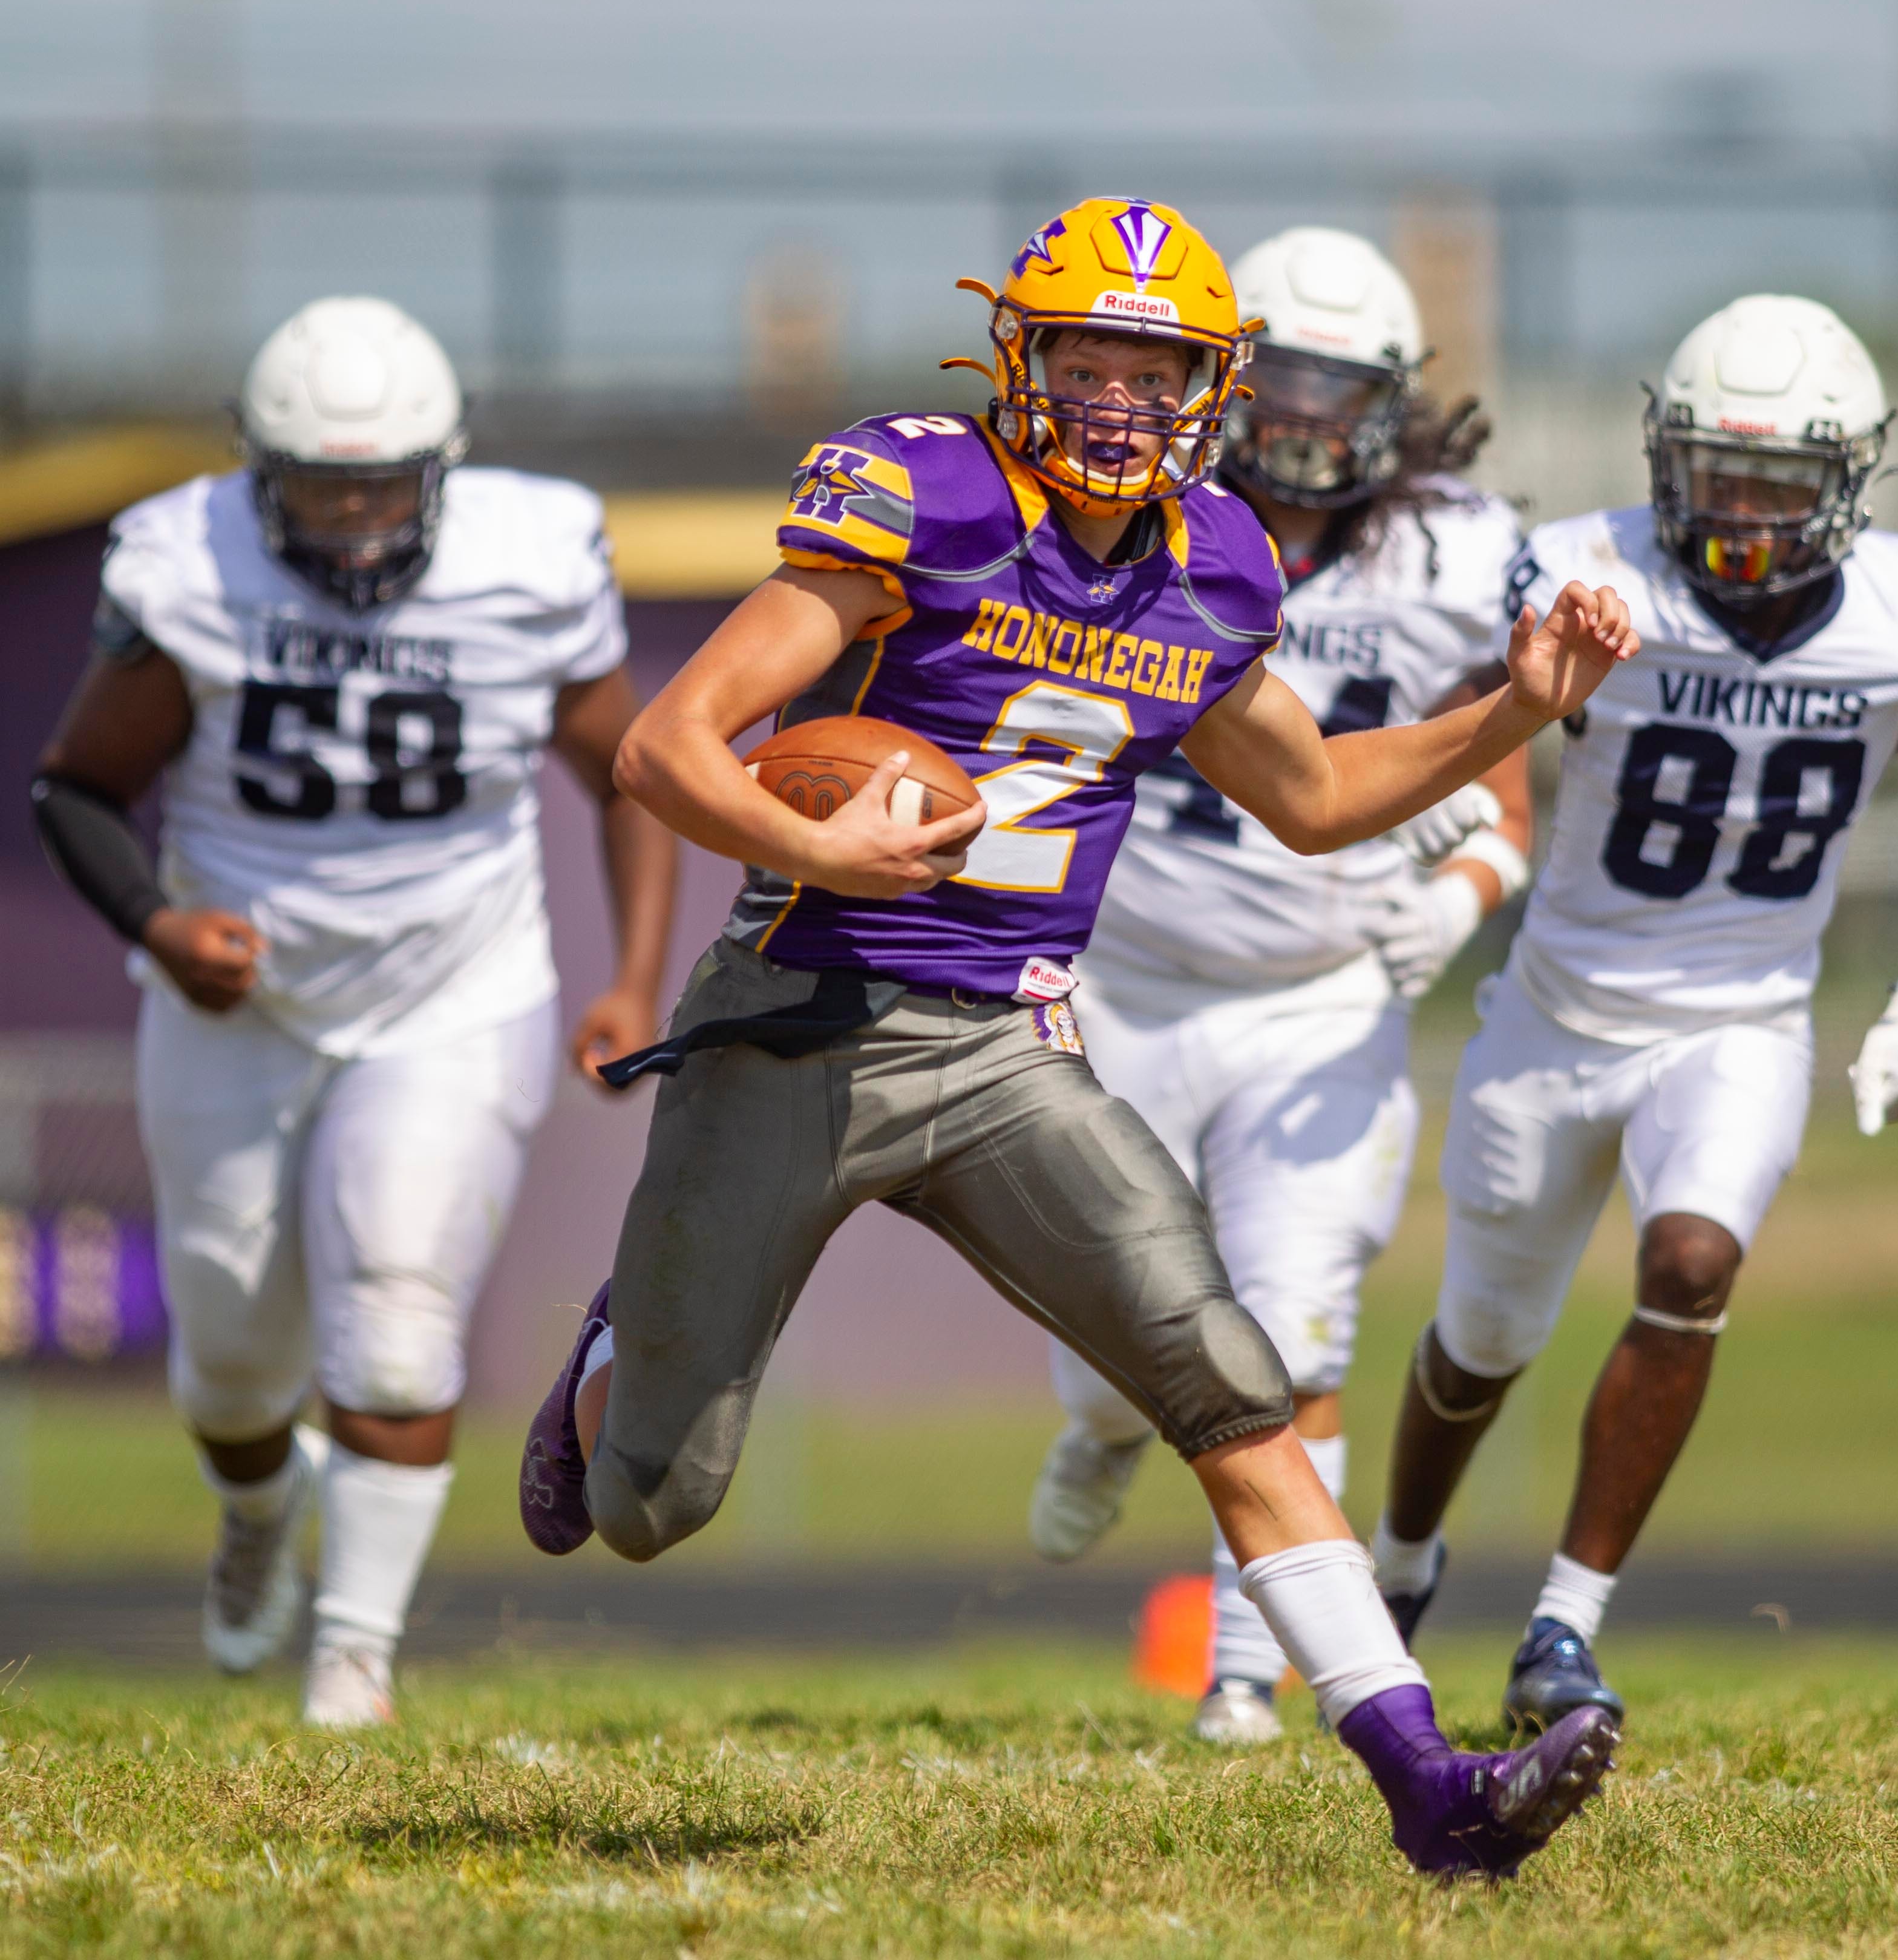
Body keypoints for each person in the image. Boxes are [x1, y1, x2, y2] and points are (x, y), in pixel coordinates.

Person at [520, 197, 1635, 1878]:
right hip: (796, 1020)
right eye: (1087, 358)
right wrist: (814, 846)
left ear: (1211, 384)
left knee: (1230, 1384)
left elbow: (1319, 798)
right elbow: (668, 747)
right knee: (647, 1509)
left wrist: (1517, 707)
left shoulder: (1212, 559)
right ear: (1018, 358)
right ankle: (620, 1358)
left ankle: (1429, 1791)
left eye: (1155, 365)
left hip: (999, 1051)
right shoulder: (924, 496)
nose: (1118, 398)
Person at [1370, 293, 1898, 1734]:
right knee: (1480, 1337)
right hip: (1553, 1012)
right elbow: (1482, 717)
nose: (1739, 510)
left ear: (1846, 482)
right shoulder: (1588, 574)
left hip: (1740, 1020)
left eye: (1777, 484)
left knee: (1692, 1258)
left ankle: (1562, 1631)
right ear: (1665, 456)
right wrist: (1439, 814)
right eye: (1717, 472)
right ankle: (1401, 1557)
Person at [33, 295, 676, 1728]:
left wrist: (632, 976)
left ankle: (352, 1661)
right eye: (320, 489)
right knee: (235, 1363)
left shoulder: (528, 556)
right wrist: (156, 922)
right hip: (240, 1002)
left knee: (395, 1317)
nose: (353, 520)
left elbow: (629, 776)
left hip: (453, 990)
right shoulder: (186, 563)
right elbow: (72, 789)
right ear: (259, 476)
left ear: (443, 469)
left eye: (381, 485)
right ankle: (256, 1518)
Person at [1025, 226, 1534, 1746]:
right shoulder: (1127, 523)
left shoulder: (1457, 553)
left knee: (1293, 1331)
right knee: (1124, 1349)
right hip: (1116, 978)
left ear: (1392, 400)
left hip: (1318, 995)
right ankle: (1098, 1424)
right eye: (1284, 382)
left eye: (1340, 388)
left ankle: (1244, 1671)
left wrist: (1468, 891)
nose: (1306, 420)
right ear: (1226, 383)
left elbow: (1501, 779)